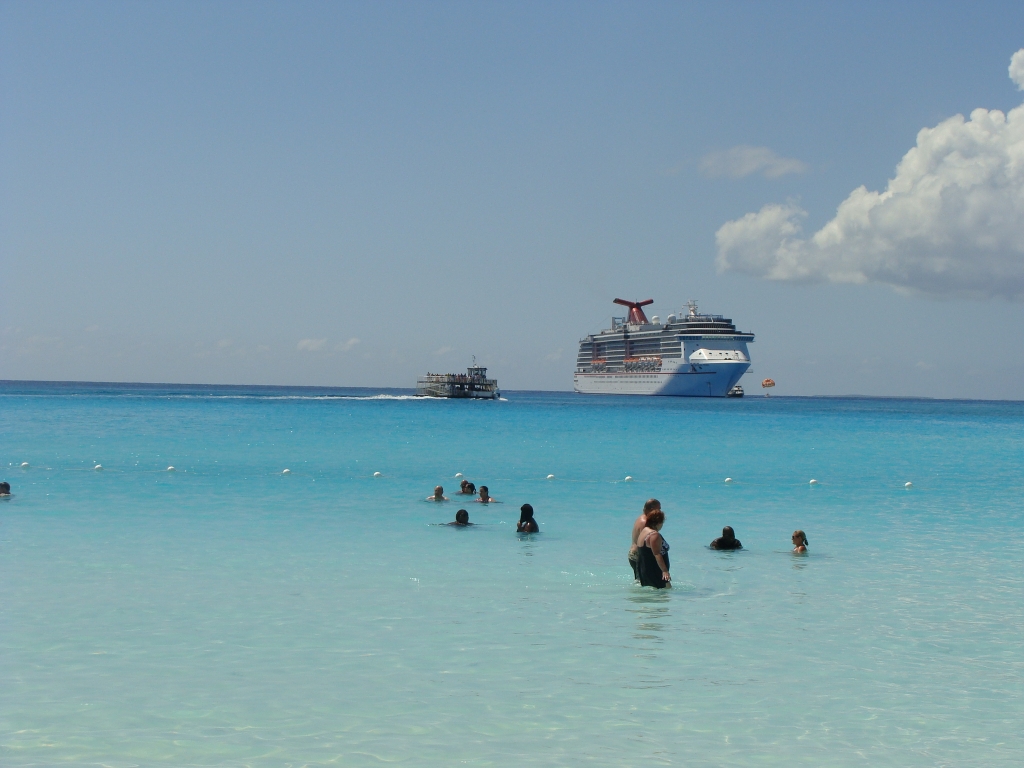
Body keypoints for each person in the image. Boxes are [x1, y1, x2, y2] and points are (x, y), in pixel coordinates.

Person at [636, 509, 670, 588]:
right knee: (663, 596)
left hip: (644, 569)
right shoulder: (654, 535)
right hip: (655, 570)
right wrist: (665, 571)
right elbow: (657, 554)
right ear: (658, 523)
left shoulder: (644, 530)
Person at [629, 499, 661, 580]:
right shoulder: (646, 522)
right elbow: (648, 540)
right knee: (644, 582)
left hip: (633, 554)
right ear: (651, 509)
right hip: (639, 555)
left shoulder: (641, 518)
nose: (660, 512)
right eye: (658, 509)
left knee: (640, 581)